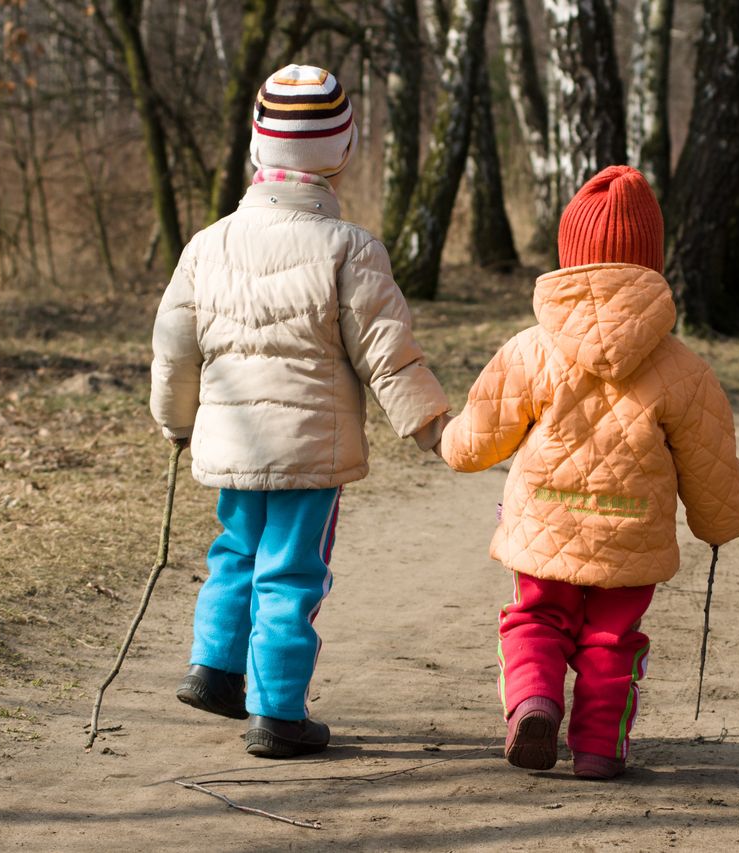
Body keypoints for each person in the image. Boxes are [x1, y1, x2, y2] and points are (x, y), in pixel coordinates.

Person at [149, 64, 450, 758]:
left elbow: (173, 346)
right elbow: (388, 354)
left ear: (257, 146)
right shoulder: (351, 249)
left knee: (235, 550)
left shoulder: (207, 243)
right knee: (289, 569)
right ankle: (278, 712)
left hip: (234, 439)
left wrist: (176, 421)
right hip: (309, 450)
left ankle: (213, 668)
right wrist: (433, 427)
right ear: (342, 153)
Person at [438, 165, 739, 779]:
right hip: (632, 535)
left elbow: (476, 441)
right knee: (612, 639)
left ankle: (534, 702)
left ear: (568, 258)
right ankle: (599, 748)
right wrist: (718, 525)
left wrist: (448, 441)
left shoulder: (530, 349)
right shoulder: (685, 369)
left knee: (535, 618)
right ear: (652, 262)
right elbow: (708, 458)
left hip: (544, 527)